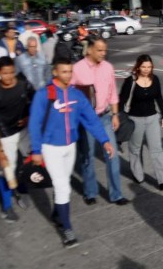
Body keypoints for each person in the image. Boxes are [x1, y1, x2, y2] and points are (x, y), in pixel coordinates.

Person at [28, 57, 114, 248]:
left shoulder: (76, 95)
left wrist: (105, 140)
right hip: (50, 148)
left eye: (70, 71)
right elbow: (34, 124)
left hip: (70, 147)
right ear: (55, 72)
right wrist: (36, 150)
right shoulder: (45, 94)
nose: (68, 75)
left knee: (62, 184)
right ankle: (67, 230)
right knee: (62, 186)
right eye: (64, 71)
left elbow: (91, 119)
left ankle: (57, 213)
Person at [72, 38, 128, 206]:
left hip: (105, 116)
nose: (103, 53)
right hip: (86, 120)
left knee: (112, 155)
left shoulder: (108, 67)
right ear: (89, 50)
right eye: (99, 50)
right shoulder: (77, 69)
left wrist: (116, 114)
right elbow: (70, 94)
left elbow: (112, 92)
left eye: (105, 50)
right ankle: (90, 192)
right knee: (87, 156)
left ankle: (116, 194)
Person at [0, 56, 36, 222]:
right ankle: (7, 208)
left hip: (23, 130)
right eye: (5, 73)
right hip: (5, 134)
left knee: (30, 161)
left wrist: (29, 116)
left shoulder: (23, 84)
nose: (9, 76)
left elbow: (36, 101)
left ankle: (22, 190)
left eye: (11, 72)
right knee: (6, 169)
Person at [119, 55, 163, 189]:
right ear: (138, 66)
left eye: (149, 67)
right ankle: (138, 175)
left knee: (157, 149)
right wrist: (119, 118)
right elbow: (121, 101)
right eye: (143, 67)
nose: (146, 70)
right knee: (135, 149)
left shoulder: (154, 79)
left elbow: (159, 98)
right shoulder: (130, 81)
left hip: (152, 118)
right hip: (134, 119)